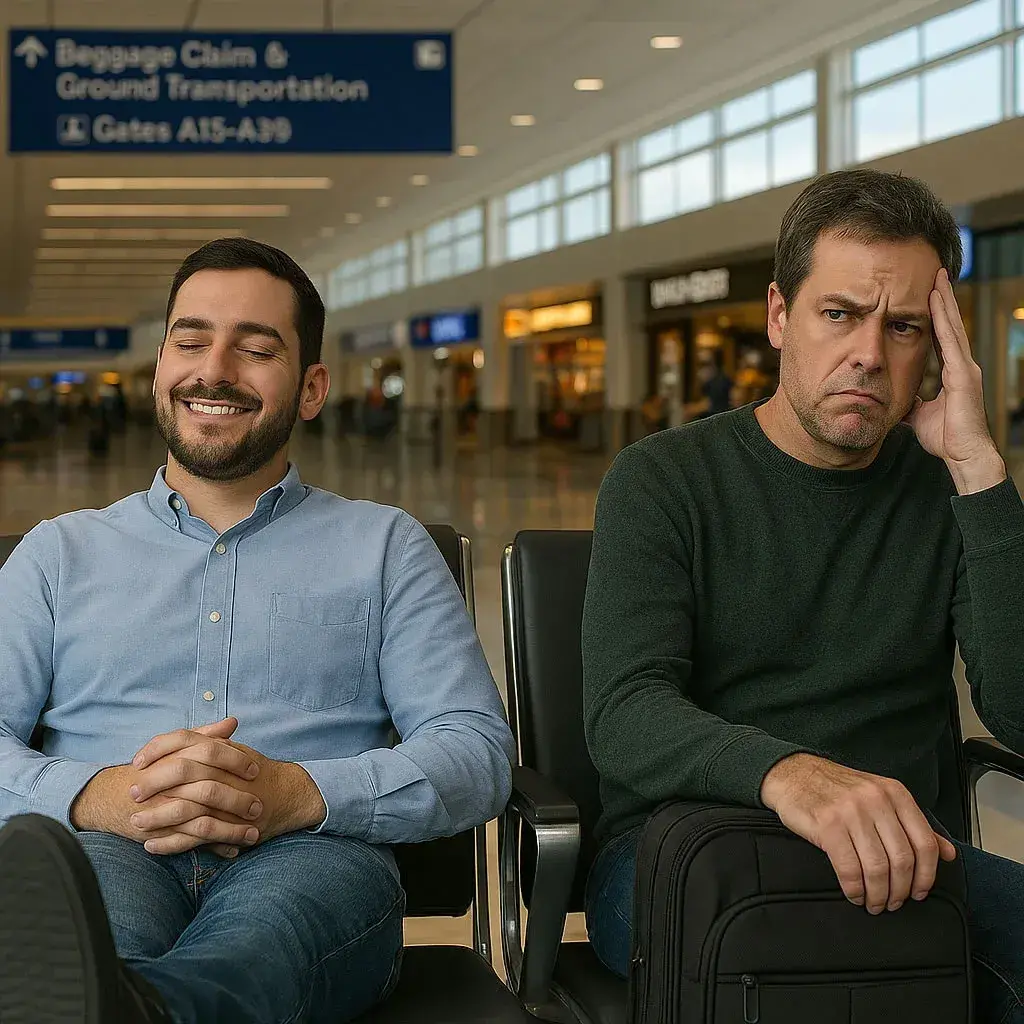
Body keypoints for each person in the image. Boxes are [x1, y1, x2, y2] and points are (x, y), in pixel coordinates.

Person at [0, 238, 515, 1024]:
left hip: (314, 853)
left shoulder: (384, 546)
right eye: (192, 339)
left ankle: (143, 1010)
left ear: (311, 388)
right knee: (88, 939)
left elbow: (475, 750)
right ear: (160, 370)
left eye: (256, 347)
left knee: (264, 940)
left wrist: (302, 793)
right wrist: (99, 796)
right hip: (104, 845)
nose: (215, 370)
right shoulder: (59, 553)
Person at [582, 169, 1024, 1024]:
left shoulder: (949, 490)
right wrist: (791, 775)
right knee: (816, 969)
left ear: (936, 348)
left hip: (905, 859)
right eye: (840, 313)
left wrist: (979, 471)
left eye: (902, 327)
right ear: (781, 316)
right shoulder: (664, 480)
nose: (869, 353)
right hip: (689, 850)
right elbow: (624, 711)